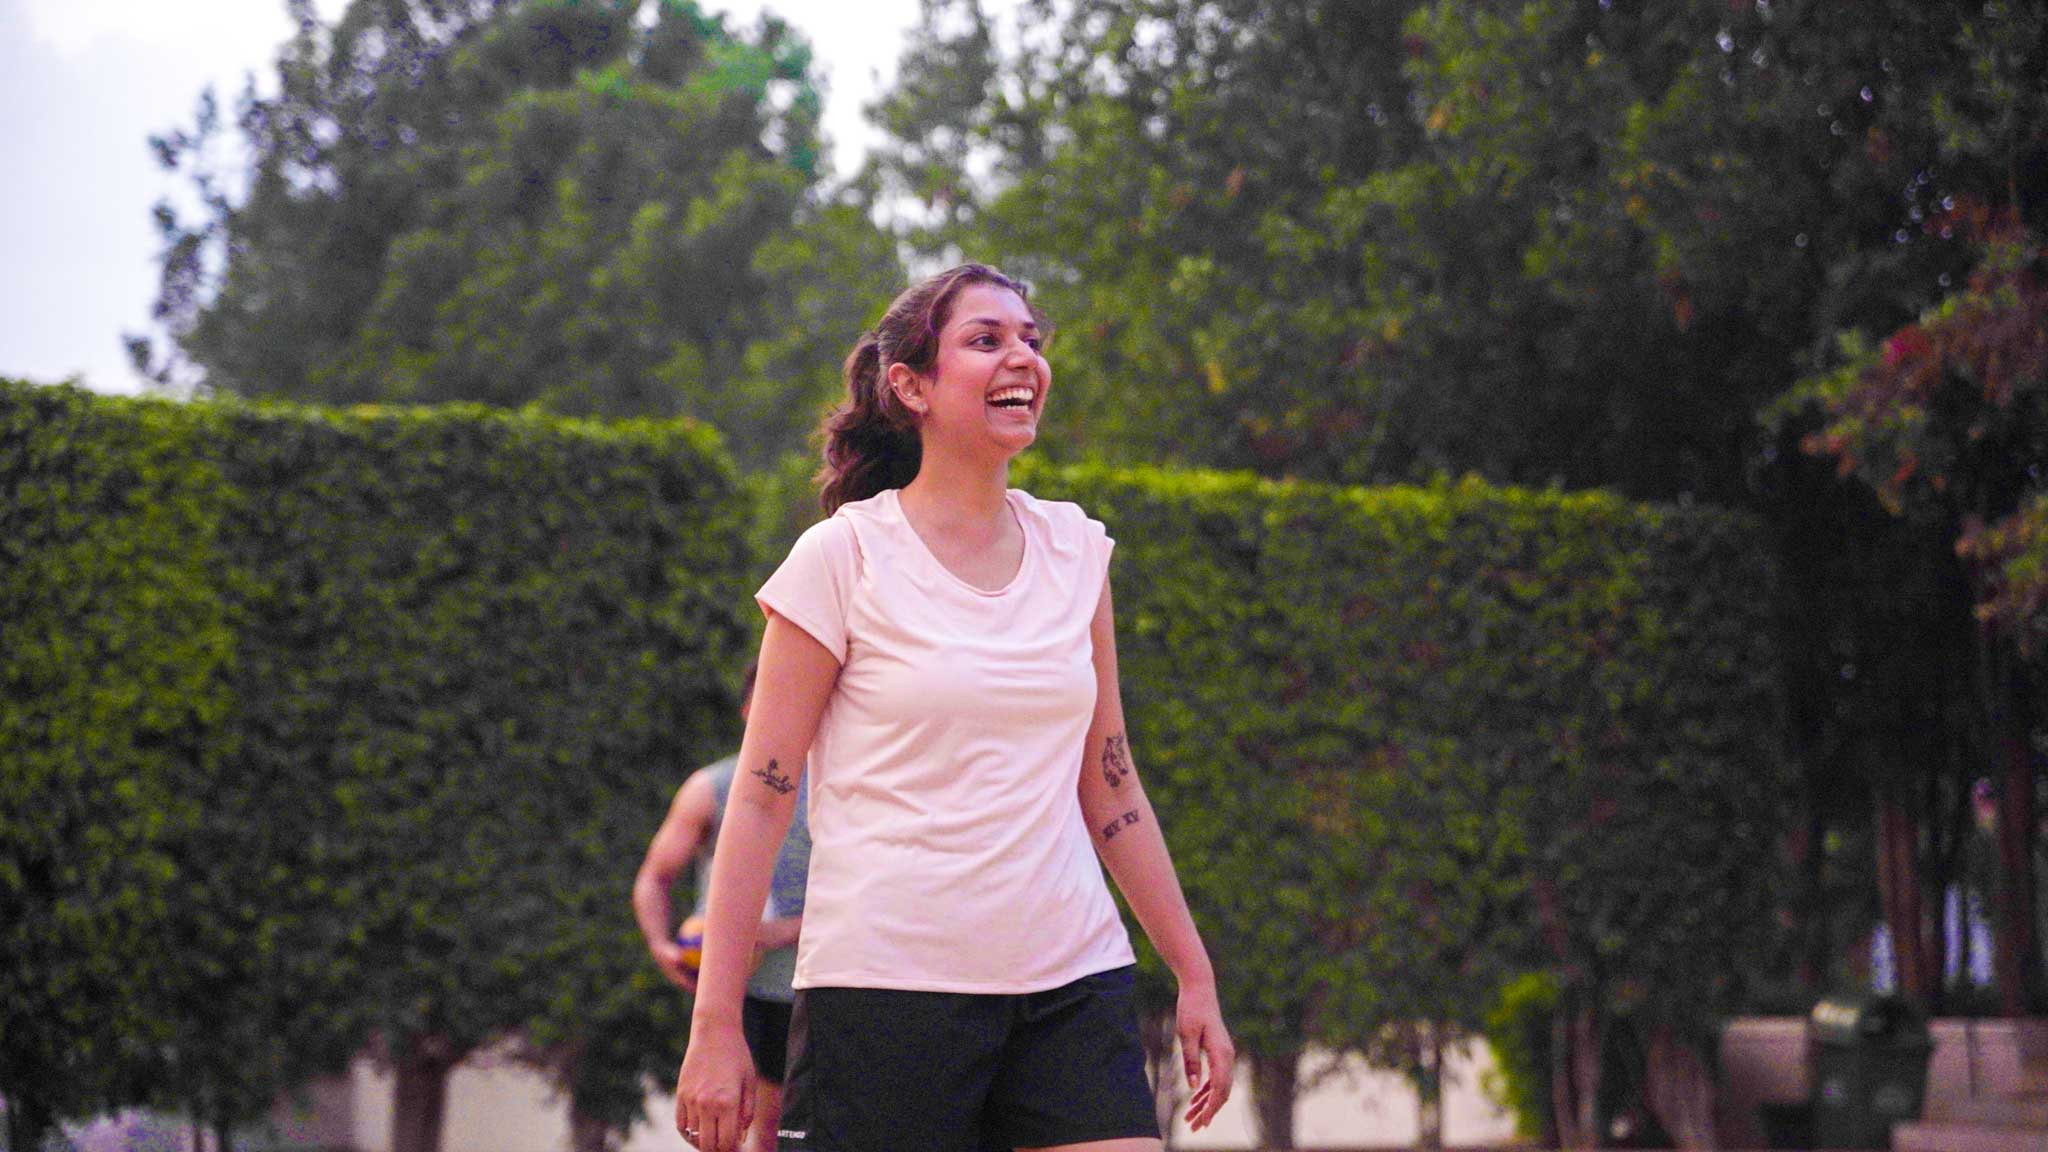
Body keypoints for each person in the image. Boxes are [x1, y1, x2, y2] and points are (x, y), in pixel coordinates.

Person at [674, 264, 1234, 1152]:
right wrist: (717, 1026)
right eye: (987, 340)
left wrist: (1193, 972)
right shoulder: (842, 558)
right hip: (883, 991)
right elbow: (762, 797)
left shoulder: (1076, 550)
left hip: (1071, 979)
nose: (1023, 357)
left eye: (1030, 340)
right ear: (913, 386)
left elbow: (1113, 787)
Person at [635, 663, 810, 1152]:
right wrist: (660, 945)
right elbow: (654, 877)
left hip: (814, 990)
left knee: (778, 1133)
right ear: (746, 709)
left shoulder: (841, 789)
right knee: (720, 1129)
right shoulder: (710, 787)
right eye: (766, 700)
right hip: (737, 989)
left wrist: (778, 932)